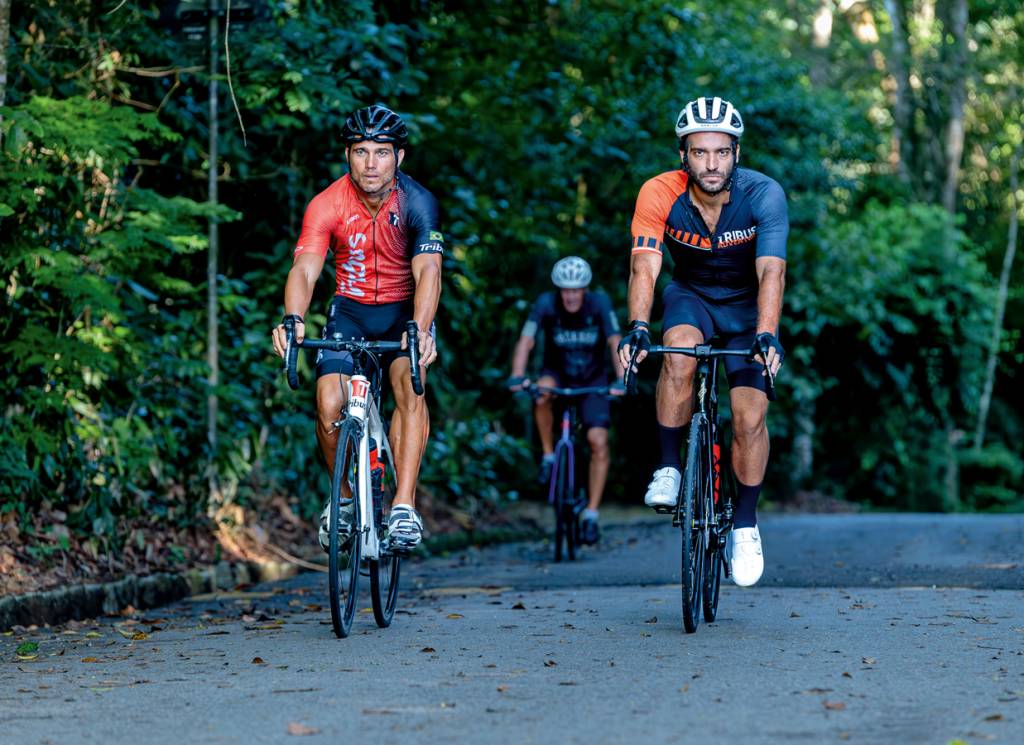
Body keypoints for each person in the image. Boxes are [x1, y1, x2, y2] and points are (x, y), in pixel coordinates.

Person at [617, 96, 787, 587]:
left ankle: (746, 523)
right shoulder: (658, 193)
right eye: (699, 152)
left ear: (736, 153)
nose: (711, 164)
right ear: (683, 155)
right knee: (678, 357)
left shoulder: (763, 194)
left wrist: (767, 334)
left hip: (747, 306)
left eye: (721, 152)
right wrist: (638, 325)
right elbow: (645, 264)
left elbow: (772, 271)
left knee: (750, 418)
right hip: (690, 296)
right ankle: (670, 468)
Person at [271, 104, 443, 552]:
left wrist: (421, 329)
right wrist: (293, 319)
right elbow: (306, 268)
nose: (371, 163)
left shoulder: (417, 201)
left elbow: (428, 271)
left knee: (410, 384)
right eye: (361, 151)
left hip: (404, 311)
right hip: (349, 312)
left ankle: (403, 507)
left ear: (398, 158)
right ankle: (344, 501)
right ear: (348, 155)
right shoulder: (326, 204)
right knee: (329, 402)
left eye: (381, 152)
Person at [508, 256, 626, 545]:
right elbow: (527, 339)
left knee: (598, 441)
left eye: (576, 289)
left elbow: (614, 341)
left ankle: (591, 514)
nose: (571, 295)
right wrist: (517, 374)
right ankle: (549, 454)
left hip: (592, 380)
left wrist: (622, 378)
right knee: (542, 392)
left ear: (585, 289)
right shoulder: (546, 304)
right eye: (565, 289)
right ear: (558, 289)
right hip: (557, 374)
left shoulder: (599, 304)